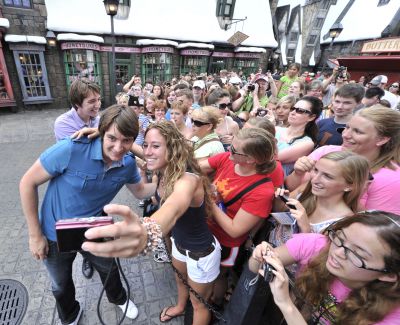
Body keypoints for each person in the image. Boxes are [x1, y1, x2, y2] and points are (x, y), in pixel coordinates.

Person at [19, 105, 158, 324]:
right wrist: (34, 234)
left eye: (127, 140)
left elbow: (140, 191)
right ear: (101, 131)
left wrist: (160, 182)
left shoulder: (128, 163)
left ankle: (118, 298)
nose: (118, 147)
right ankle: (70, 314)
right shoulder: (71, 149)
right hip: (53, 232)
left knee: (109, 268)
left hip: (94, 228)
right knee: (60, 283)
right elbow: (28, 182)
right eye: (112, 138)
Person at [89, 121, 221, 324]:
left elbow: (174, 208)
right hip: (179, 244)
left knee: (198, 304)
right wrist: (103, 134)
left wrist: (147, 231)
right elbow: (141, 150)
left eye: (156, 146)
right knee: (179, 280)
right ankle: (178, 307)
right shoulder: (162, 168)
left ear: (173, 148)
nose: (148, 152)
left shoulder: (188, 180)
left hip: (200, 253)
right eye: (146, 145)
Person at [249, 211, 400, 324]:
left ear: (389, 275)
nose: (338, 252)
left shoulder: (392, 315)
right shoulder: (318, 245)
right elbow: (253, 267)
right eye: (341, 237)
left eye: (357, 253)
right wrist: (260, 256)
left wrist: (285, 303)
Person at [198, 127, 281, 307]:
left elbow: (234, 230)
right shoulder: (228, 160)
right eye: (231, 145)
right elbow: (197, 167)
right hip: (206, 230)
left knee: (218, 275)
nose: (229, 150)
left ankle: (214, 304)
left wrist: (209, 200)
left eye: (234, 150)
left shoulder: (262, 191)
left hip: (225, 242)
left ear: (251, 159)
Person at [285, 105, 400, 215]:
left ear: (381, 139)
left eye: (358, 132)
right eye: (347, 127)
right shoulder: (326, 152)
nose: (345, 135)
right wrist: (298, 173)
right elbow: (291, 190)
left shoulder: (391, 179)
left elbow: (378, 227)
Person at [53, 78, 102, 279]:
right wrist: (101, 135)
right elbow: (83, 153)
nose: (97, 105)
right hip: (72, 187)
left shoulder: (98, 119)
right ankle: (77, 256)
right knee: (72, 231)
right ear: (77, 105)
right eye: (92, 101)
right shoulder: (63, 123)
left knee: (91, 226)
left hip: (95, 184)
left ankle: (89, 257)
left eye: (99, 100)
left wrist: (100, 132)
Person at [274, 151, 369, 242]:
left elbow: (316, 258)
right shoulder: (306, 190)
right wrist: (279, 200)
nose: (315, 179)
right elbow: (279, 211)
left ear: (349, 186)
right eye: (315, 170)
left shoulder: (343, 224)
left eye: (328, 176)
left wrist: (305, 228)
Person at [275, 96, 322, 176]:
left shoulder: (307, 143)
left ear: (311, 117)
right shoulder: (276, 129)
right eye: (293, 108)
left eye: (300, 111)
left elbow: (273, 158)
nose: (293, 112)